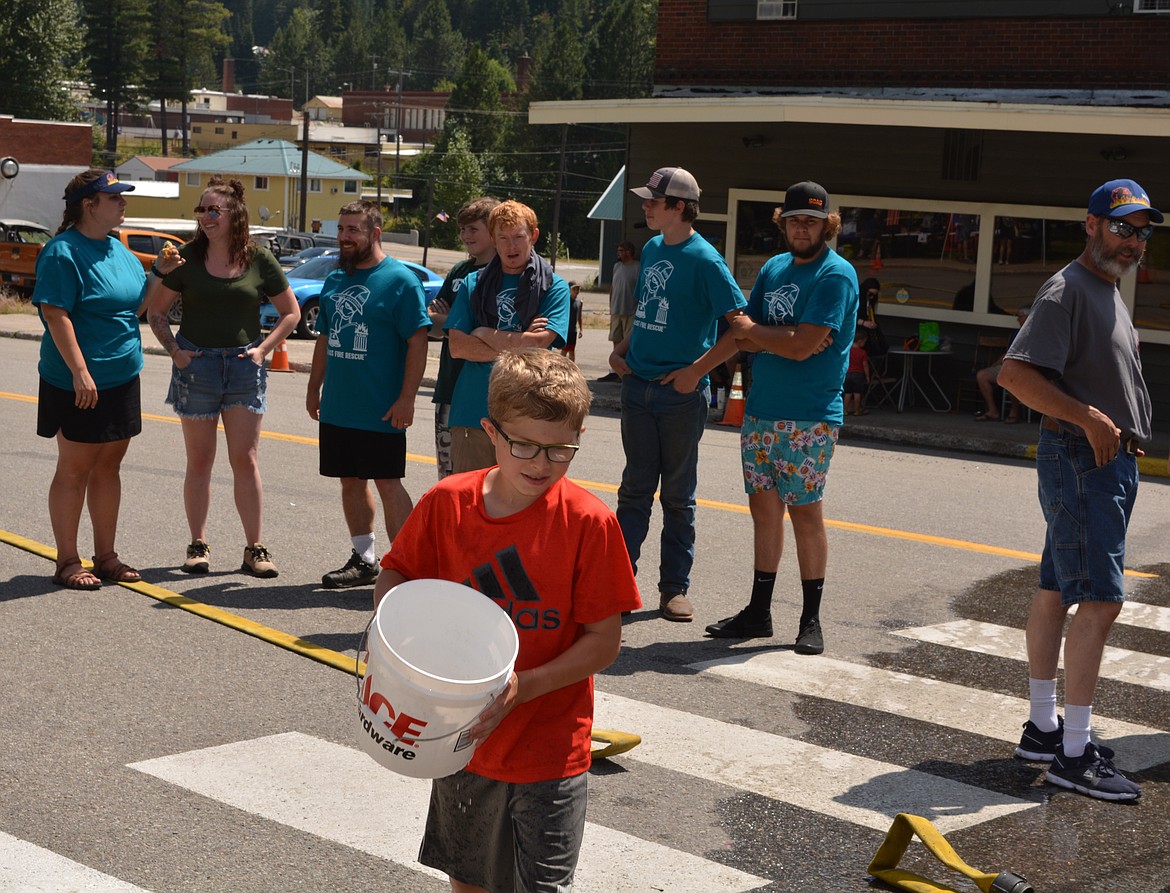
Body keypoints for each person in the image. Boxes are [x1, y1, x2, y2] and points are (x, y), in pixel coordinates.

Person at [373, 350, 640, 893]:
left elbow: (603, 641)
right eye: (523, 445)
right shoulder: (447, 504)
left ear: (579, 435)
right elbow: (396, 579)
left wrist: (525, 687)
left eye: (561, 450)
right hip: (460, 741)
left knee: (541, 887)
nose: (541, 464)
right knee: (468, 879)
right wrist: (398, 650)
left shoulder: (589, 522)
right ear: (490, 432)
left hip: (549, 751)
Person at [999, 178, 1160, 802]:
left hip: (1097, 461)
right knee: (1100, 600)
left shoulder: (1108, 290)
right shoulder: (1068, 288)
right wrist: (1090, 420)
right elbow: (1014, 374)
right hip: (1084, 459)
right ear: (1090, 224)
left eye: (1143, 231)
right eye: (1122, 226)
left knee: (1056, 589)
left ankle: (1045, 728)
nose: (1133, 240)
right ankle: (1073, 753)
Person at [703, 181, 858, 654]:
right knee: (763, 512)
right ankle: (758, 612)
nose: (802, 228)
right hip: (760, 413)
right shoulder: (774, 268)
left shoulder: (836, 275)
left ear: (826, 224)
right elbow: (745, 334)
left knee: (805, 515)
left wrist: (775, 337)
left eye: (811, 220)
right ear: (783, 223)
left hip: (810, 416)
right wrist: (699, 370)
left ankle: (811, 620)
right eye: (794, 220)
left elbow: (800, 345)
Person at [610, 167, 748, 622]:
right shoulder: (651, 247)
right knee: (633, 490)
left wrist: (695, 373)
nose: (646, 206)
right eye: (647, 200)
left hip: (679, 396)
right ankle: (619, 583)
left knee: (677, 496)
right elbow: (646, 311)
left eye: (654, 200)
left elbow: (740, 330)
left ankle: (674, 588)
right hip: (638, 388)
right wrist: (621, 351)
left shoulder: (706, 259)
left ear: (679, 207)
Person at [147, 176, 300, 578]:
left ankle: (255, 549)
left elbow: (291, 313)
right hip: (197, 367)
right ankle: (198, 544)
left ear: (236, 215)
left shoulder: (259, 259)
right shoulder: (184, 258)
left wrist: (263, 351)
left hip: (244, 367)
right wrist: (176, 353)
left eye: (214, 210)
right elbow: (156, 312)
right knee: (200, 461)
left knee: (245, 460)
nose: (205, 217)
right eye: (201, 210)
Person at [32, 170, 162, 589]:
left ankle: (106, 556)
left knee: (109, 465)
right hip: (77, 380)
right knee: (75, 468)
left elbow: (137, 306)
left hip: (121, 375)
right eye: (114, 198)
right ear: (89, 205)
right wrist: (80, 371)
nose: (123, 203)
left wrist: (159, 272)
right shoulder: (62, 252)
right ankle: (68, 560)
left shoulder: (118, 250)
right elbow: (56, 313)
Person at [305, 201, 431, 589]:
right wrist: (314, 387)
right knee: (350, 481)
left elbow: (418, 341)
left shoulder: (399, 280)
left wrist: (407, 397)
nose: (345, 237)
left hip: (381, 408)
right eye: (342, 229)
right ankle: (364, 560)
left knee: (388, 483)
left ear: (374, 233)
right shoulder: (335, 280)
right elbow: (325, 338)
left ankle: (412, 568)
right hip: (340, 406)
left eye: (353, 230)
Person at [445, 200, 569, 474]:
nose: (511, 246)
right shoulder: (472, 283)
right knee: (470, 504)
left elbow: (539, 345)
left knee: (521, 505)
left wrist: (484, 332)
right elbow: (458, 346)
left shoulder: (554, 287)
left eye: (518, 237)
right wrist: (520, 341)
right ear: (493, 239)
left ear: (533, 236)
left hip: (529, 417)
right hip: (471, 413)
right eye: (503, 238)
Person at [428, 197, 500, 479]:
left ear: (492, 230)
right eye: (462, 230)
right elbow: (432, 322)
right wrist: (457, 325)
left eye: (473, 229)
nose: (465, 236)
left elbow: (491, 332)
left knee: (489, 476)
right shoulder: (459, 271)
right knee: (449, 475)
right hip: (449, 385)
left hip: (489, 390)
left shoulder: (504, 273)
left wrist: (452, 323)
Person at [974, 306, 1029, 423]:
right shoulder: (1016, 333)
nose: (1017, 319)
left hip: (1024, 369)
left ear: (1028, 317)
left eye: (1019, 316)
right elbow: (1007, 353)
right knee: (982, 375)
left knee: (1009, 377)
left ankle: (1014, 411)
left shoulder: (1035, 334)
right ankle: (992, 411)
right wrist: (994, 366)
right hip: (1008, 366)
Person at [596, 241, 639, 382]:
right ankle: (615, 371)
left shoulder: (637, 267)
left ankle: (626, 371)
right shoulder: (617, 266)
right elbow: (613, 287)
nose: (618, 253)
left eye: (621, 250)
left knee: (628, 343)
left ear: (628, 252)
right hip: (616, 310)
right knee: (616, 339)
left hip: (630, 311)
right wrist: (611, 305)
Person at [843, 328, 870, 416]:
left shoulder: (848, 350)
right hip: (858, 374)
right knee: (857, 393)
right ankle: (857, 410)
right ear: (860, 341)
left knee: (847, 393)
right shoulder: (862, 352)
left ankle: (844, 410)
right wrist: (867, 376)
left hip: (847, 373)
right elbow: (865, 365)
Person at [560, 280, 584, 362]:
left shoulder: (579, 303)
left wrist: (581, 329)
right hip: (566, 330)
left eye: (578, 289)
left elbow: (579, 316)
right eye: (574, 289)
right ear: (569, 290)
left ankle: (572, 368)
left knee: (572, 351)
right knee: (564, 350)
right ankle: (560, 366)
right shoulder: (566, 301)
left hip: (573, 331)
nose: (577, 291)